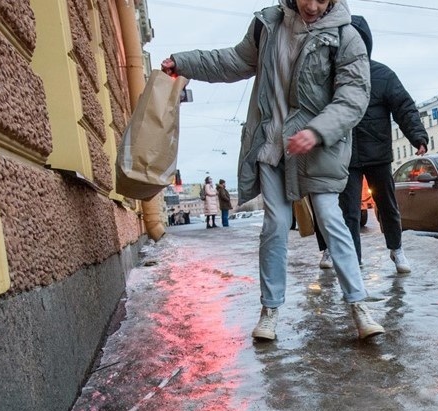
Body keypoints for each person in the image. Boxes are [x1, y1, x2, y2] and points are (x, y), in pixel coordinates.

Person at [161, 0, 384, 341]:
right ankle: (270, 310)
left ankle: (358, 305)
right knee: (276, 224)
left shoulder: (346, 36)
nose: (313, 6)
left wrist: (318, 131)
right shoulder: (268, 26)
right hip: (272, 143)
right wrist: (184, 62)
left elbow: (353, 96)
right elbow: (233, 61)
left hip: (318, 146)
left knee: (329, 217)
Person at [315, 15, 428, 273]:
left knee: (387, 205)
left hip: (378, 153)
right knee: (348, 212)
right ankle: (353, 263)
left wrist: (417, 136)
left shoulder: (382, 75)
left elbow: (404, 107)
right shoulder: (330, 76)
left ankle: (397, 250)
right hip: (345, 156)